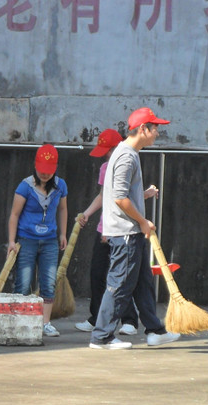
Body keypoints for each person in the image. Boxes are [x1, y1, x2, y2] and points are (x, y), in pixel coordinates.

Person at [89, 108, 181, 350]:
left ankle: (155, 330)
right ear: (143, 129)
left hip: (129, 232)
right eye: (155, 128)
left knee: (143, 282)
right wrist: (142, 221)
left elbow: (120, 195)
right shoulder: (127, 156)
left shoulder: (126, 154)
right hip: (126, 233)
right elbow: (120, 198)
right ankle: (102, 336)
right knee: (119, 284)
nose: (157, 133)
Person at [75, 128, 140, 337]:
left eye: (109, 150)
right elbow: (104, 196)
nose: (106, 154)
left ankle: (129, 319)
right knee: (97, 275)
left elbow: (124, 199)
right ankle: (96, 318)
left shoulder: (127, 163)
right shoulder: (105, 167)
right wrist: (86, 213)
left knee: (121, 277)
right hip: (104, 228)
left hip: (120, 230)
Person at [7, 143, 68, 338]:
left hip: (49, 240)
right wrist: (11, 241)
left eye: (48, 171)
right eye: (41, 170)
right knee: (23, 283)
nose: (45, 175)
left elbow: (63, 209)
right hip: (27, 239)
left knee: (48, 283)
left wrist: (62, 234)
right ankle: (20, 320)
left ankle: (45, 323)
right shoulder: (25, 186)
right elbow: (14, 215)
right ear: (35, 165)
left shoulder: (60, 185)